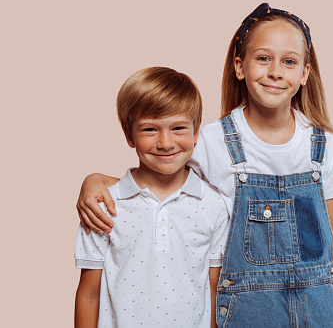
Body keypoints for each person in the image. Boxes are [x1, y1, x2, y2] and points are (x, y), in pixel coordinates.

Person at [77, 3, 333, 327]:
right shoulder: (211, 141)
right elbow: (163, 180)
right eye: (263, 58)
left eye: (289, 61)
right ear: (240, 66)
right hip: (247, 313)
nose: (276, 71)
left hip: (320, 312)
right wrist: (96, 180)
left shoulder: (323, 147)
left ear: (305, 73)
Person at [74, 67, 229, 328]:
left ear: (195, 132)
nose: (165, 142)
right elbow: (89, 295)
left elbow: (215, 291)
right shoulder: (102, 206)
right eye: (149, 130)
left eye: (178, 127)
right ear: (128, 134)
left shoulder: (213, 205)